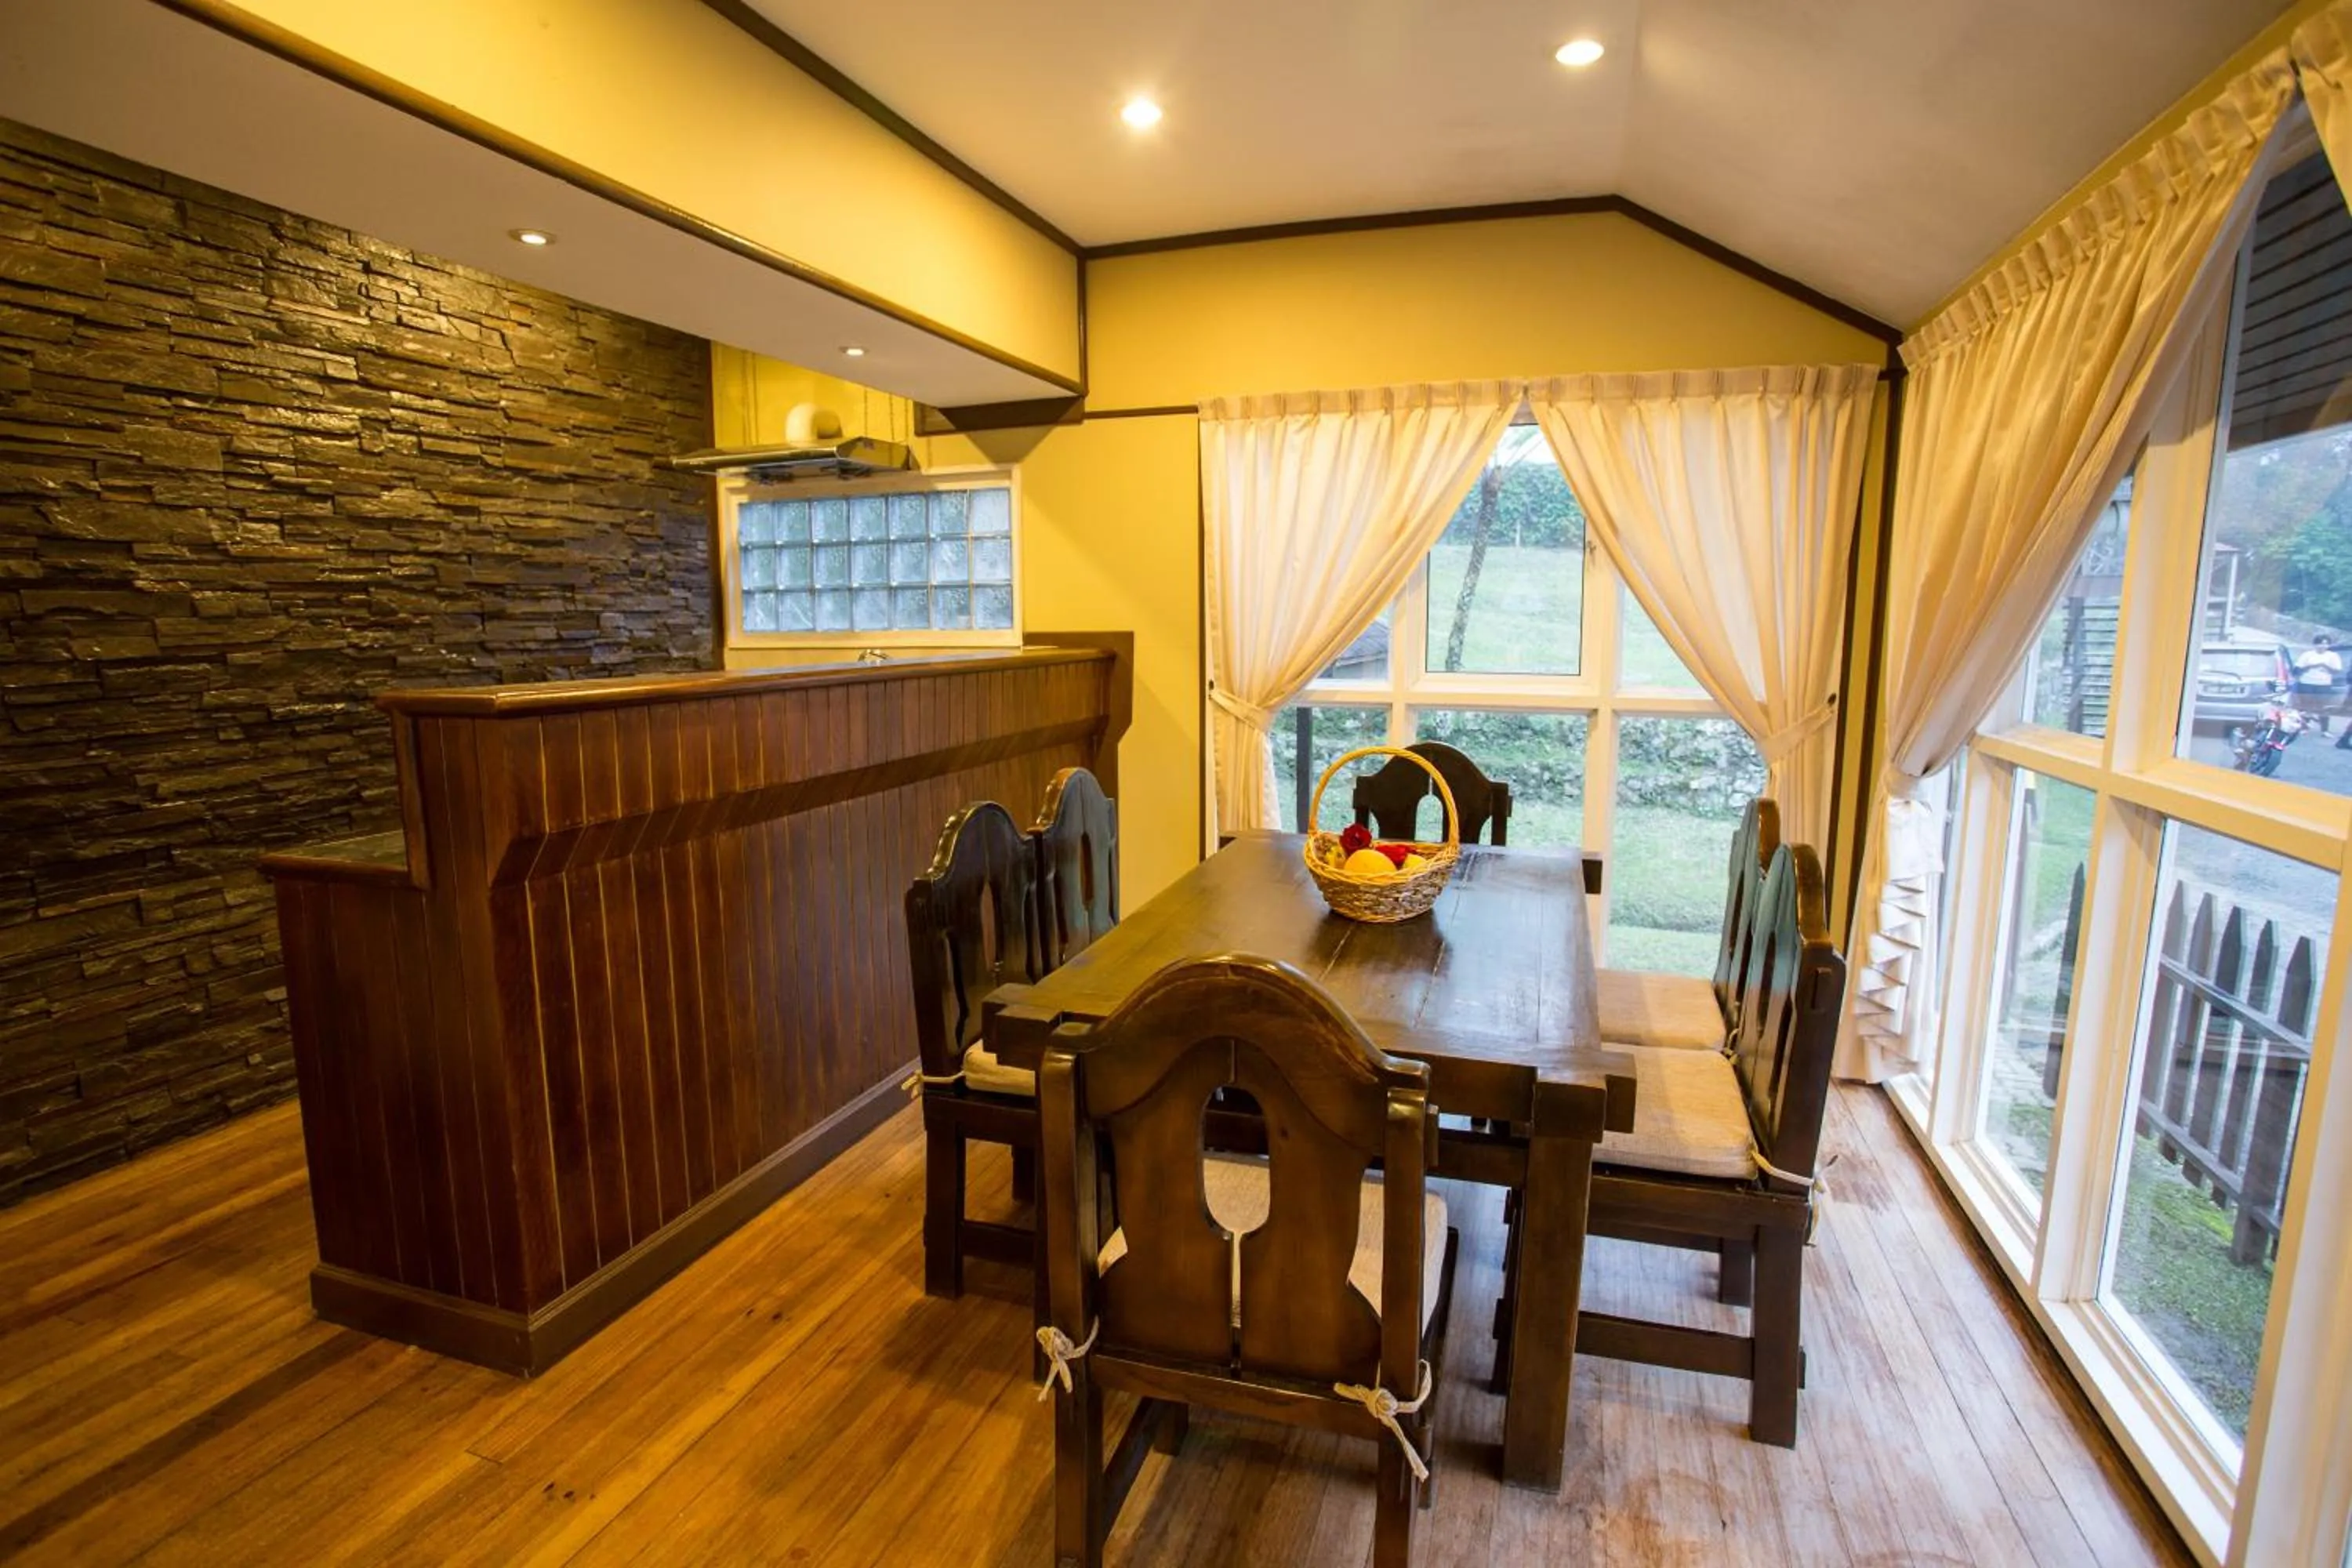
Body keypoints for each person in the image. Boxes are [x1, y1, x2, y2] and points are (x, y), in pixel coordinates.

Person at [2292, 634, 2342, 736]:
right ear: (2315, 645)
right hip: (2306, 683)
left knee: (2323, 708)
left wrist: (2325, 666)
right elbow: (2296, 670)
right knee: (2305, 706)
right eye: (2320, 644)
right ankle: (2303, 727)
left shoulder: (2333, 656)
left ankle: (2325, 730)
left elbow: (2337, 671)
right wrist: (2311, 666)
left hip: (2323, 684)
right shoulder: (2307, 655)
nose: (2322, 646)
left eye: (2325, 644)